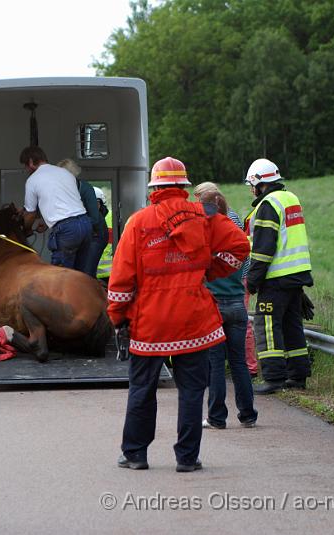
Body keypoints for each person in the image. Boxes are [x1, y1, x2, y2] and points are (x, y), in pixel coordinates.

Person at [108, 157, 250, 472]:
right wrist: (208, 272)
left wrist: (118, 317)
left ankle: (135, 454)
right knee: (191, 390)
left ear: (154, 188)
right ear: (183, 187)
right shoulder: (205, 216)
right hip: (195, 320)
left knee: (142, 389)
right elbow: (240, 246)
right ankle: (186, 458)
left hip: (150, 323)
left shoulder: (138, 222)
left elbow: (121, 279)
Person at [243, 158, 313, 394]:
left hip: (276, 278)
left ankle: (274, 377)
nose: (251, 190)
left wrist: (252, 282)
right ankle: (298, 376)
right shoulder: (290, 198)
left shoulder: (267, 205)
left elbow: (264, 249)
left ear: (259, 183)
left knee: (268, 325)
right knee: (292, 325)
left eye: (251, 184)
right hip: (296, 276)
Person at [192, 182, 257, 430]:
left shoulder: (204, 236)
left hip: (214, 308)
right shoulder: (237, 236)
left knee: (216, 364)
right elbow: (244, 268)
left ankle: (217, 417)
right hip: (237, 306)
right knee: (239, 361)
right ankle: (248, 414)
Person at [19, 146, 93, 274]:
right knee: (82, 277)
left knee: (60, 278)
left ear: (31, 162)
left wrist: (26, 230)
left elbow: (30, 214)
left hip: (66, 231)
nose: (26, 169)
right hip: (85, 224)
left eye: (25, 165)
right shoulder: (64, 173)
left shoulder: (32, 180)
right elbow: (65, 203)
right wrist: (48, 223)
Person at [57, 159, 105, 276]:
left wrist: (72, 225)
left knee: (86, 274)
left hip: (95, 235)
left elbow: (94, 218)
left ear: (72, 175)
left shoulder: (86, 189)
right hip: (77, 234)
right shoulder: (61, 190)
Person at [93, 186, 114, 282]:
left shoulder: (113, 217)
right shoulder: (84, 220)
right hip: (90, 273)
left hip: (112, 274)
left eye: (95, 203)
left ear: (101, 203)